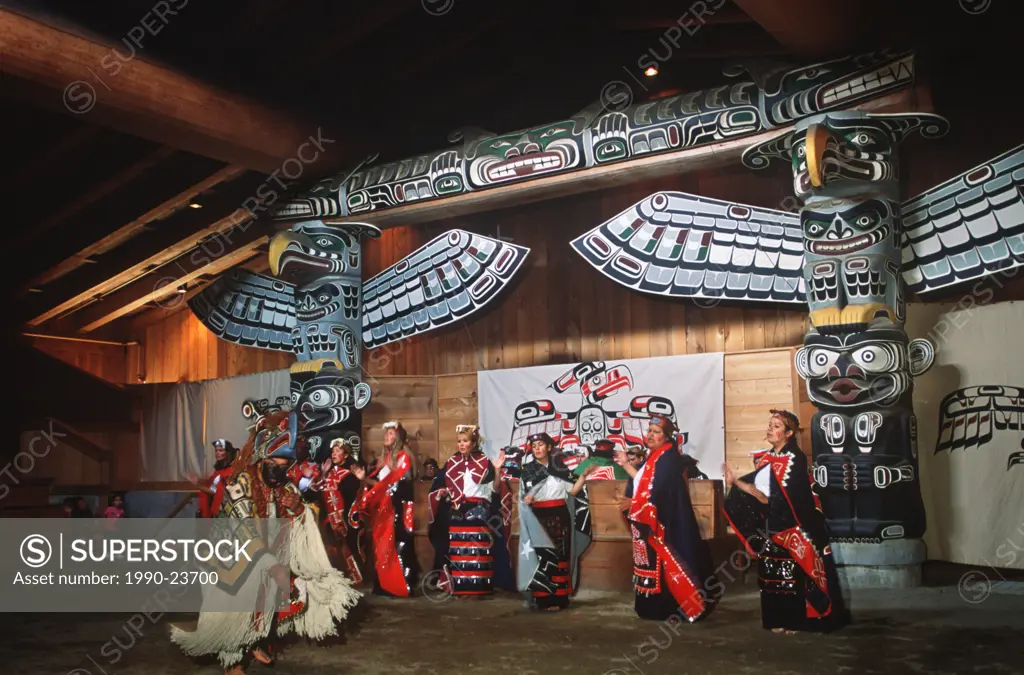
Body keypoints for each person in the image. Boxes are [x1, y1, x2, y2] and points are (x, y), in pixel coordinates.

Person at [170, 409, 360, 674]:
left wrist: (297, 509)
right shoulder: (240, 483)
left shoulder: (283, 484)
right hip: (230, 563)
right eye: (276, 462)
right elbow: (245, 534)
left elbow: (304, 519)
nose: (281, 469)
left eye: (286, 465)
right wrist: (273, 568)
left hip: (266, 560)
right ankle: (232, 658)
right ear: (261, 457)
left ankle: (256, 639)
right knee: (235, 609)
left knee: (273, 599)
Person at [723, 409, 849, 634]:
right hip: (774, 527)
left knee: (793, 576)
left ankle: (797, 621)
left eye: (777, 426)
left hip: (794, 527)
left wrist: (765, 501)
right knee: (773, 575)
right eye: (770, 424)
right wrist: (736, 483)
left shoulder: (795, 459)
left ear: (789, 433)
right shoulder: (766, 458)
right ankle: (777, 620)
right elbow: (758, 491)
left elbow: (788, 497)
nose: (770, 429)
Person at [614, 415, 717, 622]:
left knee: (667, 564)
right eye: (650, 430)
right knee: (652, 563)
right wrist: (625, 464)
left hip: (664, 523)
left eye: (656, 432)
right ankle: (655, 607)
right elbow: (645, 482)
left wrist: (634, 504)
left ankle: (670, 608)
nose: (651, 435)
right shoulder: (655, 457)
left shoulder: (668, 459)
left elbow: (658, 492)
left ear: (667, 436)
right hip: (651, 520)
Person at [501, 433, 593, 611]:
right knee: (542, 556)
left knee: (559, 557)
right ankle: (542, 598)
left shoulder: (561, 469)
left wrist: (582, 477)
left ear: (549, 448)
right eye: (534, 446)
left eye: (540, 445)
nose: (537, 449)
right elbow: (523, 497)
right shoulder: (528, 471)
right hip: (538, 517)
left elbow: (572, 492)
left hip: (560, 516)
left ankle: (559, 598)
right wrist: (526, 501)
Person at [428, 425, 502, 597]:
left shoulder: (484, 462)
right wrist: (442, 492)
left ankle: (478, 588)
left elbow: (496, 490)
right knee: (459, 550)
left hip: (478, 509)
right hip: (457, 508)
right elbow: (439, 485)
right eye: (459, 441)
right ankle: (461, 588)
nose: (461, 444)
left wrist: (497, 470)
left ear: (473, 442)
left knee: (476, 549)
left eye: (465, 441)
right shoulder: (452, 462)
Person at [350, 420, 419, 597]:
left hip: (396, 509)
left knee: (397, 546)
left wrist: (375, 491)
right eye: (386, 433)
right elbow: (381, 485)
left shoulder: (403, 458)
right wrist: (364, 479)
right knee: (382, 548)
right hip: (383, 510)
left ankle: (400, 584)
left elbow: (394, 485)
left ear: (398, 437)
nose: (386, 436)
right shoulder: (383, 461)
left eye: (390, 433)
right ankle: (384, 583)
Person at [311, 438, 367, 585]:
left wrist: (342, 519)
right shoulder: (329, 473)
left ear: (346, 454)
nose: (334, 453)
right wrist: (321, 475)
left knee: (350, 546)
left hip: (347, 517)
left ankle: (359, 578)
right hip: (330, 518)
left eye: (338, 450)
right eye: (333, 451)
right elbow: (317, 494)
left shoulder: (350, 474)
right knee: (332, 548)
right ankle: (341, 579)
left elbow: (352, 496)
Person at [188, 439, 237, 518]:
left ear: (228, 453)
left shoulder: (229, 472)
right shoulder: (219, 471)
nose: (217, 453)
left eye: (221, 450)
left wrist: (197, 485)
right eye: (216, 451)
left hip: (223, 512)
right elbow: (213, 484)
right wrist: (200, 480)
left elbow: (214, 490)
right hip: (215, 511)